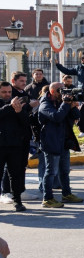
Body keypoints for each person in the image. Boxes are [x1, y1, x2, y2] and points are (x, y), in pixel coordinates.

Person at [38, 82, 84, 207]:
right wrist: (65, 104)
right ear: (52, 91)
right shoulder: (45, 104)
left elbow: (76, 116)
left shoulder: (60, 102)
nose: (63, 93)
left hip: (64, 142)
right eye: (60, 91)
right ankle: (47, 199)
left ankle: (66, 194)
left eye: (64, 90)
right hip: (51, 142)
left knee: (64, 171)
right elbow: (57, 117)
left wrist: (73, 106)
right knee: (51, 171)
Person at [0, 82, 29, 212]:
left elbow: (25, 123)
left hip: (15, 146)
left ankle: (17, 201)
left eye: (9, 92)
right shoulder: (8, 105)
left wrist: (19, 112)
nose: (7, 94)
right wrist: (10, 107)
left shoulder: (17, 104)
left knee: (15, 175)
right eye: (4, 92)